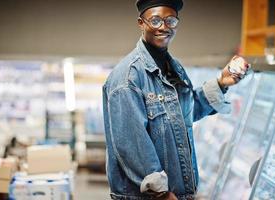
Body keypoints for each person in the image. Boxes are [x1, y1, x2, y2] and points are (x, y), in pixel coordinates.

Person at [102, 0, 249, 199]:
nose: (164, 27)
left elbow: (184, 113)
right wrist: (161, 193)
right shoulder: (128, 78)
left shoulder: (173, 68)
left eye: (170, 21)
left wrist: (222, 82)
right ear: (141, 23)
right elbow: (131, 145)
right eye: (155, 20)